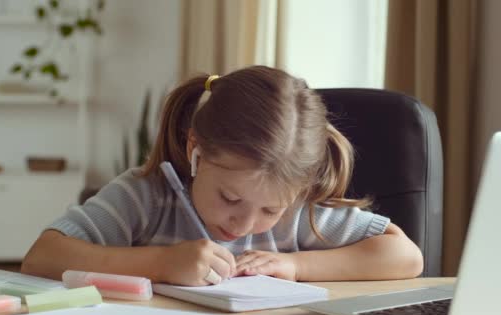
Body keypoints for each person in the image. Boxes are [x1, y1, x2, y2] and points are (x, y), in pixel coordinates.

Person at [21, 66, 423, 286]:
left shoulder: (298, 213)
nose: (245, 224)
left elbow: (406, 257)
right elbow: (42, 257)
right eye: (230, 198)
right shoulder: (146, 196)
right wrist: (160, 263)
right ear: (196, 150)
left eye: (270, 209)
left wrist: (298, 266)